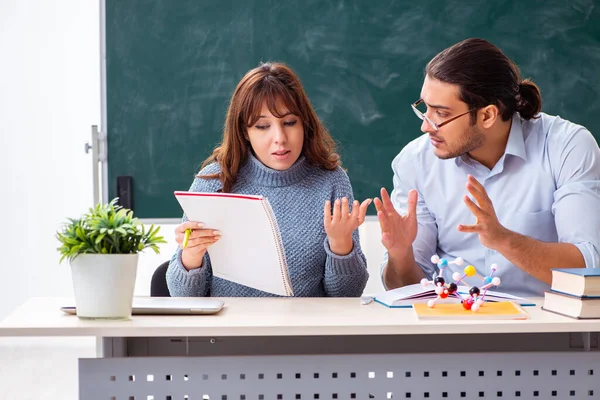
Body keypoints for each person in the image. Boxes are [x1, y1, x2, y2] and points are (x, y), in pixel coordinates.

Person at [375, 38, 600, 297]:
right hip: (452, 324)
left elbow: (588, 267)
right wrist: (400, 254)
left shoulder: (567, 146)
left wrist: (504, 240)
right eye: (424, 108)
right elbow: (406, 290)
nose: (426, 126)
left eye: (442, 114)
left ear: (487, 115)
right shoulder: (415, 162)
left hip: (547, 323)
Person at [167, 62, 371, 297]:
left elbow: (347, 295)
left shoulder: (331, 182)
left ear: (304, 122)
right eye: (263, 126)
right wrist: (190, 256)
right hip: (230, 331)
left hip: (303, 331)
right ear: (244, 131)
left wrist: (341, 245)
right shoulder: (212, 182)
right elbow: (182, 297)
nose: (280, 138)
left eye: (290, 122)